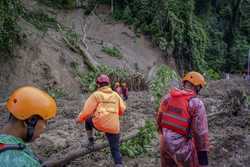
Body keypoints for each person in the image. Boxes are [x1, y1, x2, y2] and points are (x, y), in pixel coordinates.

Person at [156, 71, 209, 167]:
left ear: (184, 83)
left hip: (164, 144)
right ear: (198, 87)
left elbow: (159, 120)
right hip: (182, 148)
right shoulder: (196, 104)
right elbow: (200, 133)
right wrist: (203, 158)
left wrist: (165, 137)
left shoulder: (168, 97)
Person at [76, 74, 126, 167]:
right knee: (115, 149)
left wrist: (79, 119)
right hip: (113, 126)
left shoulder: (96, 95)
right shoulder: (116, 95)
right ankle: (119, 164)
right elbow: (123, 109)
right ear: (109, 84)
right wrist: (115, 114)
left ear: (98, 84)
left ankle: (91, 141)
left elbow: (86, 111)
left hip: (100, 124)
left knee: (87, 120)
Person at [0, 86, 57, 166]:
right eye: (45, 122)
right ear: (30, 121)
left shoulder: (6, 144)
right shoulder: (21, 162)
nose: (45, 127)